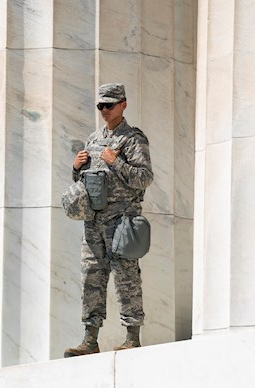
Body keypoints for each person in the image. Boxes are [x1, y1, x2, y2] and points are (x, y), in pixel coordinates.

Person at [64, 83, 154, 357]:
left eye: (110, 105)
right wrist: (76, 168)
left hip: (121, 223)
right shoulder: (93, 139)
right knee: (92, 278)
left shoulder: (133, 139)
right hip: (93, 223)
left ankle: (132, 336)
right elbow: (88, 183)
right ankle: (90, 339)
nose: (104, 110)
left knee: (126, 279)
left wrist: (117, 162)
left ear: (123, 104)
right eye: (101, 106)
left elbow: (144, 178)